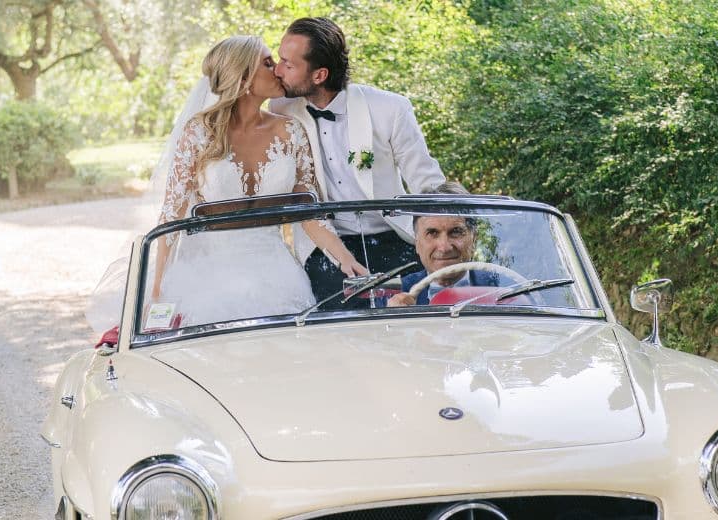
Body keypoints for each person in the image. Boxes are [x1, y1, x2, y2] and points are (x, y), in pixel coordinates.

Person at [146, 36, 367, 327]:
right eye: (267, 63)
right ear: (243, 77)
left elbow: (309, 212)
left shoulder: (291, 130)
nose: (277, 70)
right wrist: (158, 290)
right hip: (211, 278)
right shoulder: (199, 132)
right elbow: (171, 215)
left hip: (278, 273)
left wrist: (346, 261)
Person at [268, 17, 445, 305]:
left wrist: (443, 239)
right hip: (324, 248)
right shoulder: (280, 109)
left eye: (288, 64)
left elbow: (427, 182)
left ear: (319, 75)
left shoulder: (390, 108)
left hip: (393, 237)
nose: (277, 70)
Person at [387, 182, 500, 307]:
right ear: (417, 242)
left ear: (473, 239)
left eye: (456, 232)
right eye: (432, 233)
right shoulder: (392, 294)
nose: (444, 247)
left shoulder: (503, 287)